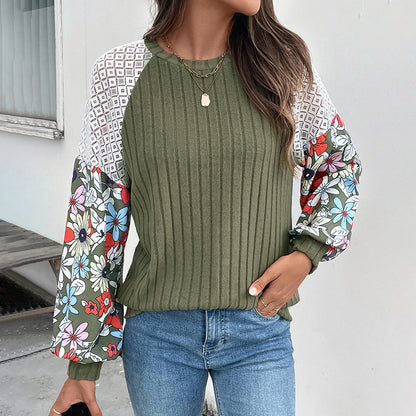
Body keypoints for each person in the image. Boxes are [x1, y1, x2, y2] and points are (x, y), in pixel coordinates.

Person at [48, 0, 362, 415]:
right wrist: (82, 370)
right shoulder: (119, 73)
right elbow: (94, 216)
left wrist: (307, 254)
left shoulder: (283, 67)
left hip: (257, 330)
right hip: (158, 335)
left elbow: (339, 165)